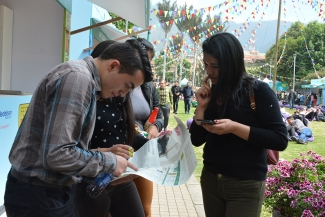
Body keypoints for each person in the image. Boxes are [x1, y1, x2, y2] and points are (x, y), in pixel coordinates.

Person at [4, 41, 153, 217]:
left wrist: (105, 154)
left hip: (48, 191)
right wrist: (110, 163)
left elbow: (62, 148)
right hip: (39, 194)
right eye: (127, 85)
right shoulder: (78, 79)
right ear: (113, 66)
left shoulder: (84, 80)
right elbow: (57, 155)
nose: (123, 94)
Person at [189, 32, 288, 217]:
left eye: (215, 66)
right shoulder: (213, 92)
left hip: (245, 185)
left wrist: (234, 128)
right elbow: (196, 140)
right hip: (211, 179)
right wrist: (201, 108)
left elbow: (280, 139)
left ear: (231, 63)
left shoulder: (258, 91)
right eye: (206, 65)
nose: (209, 72)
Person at [74, 40, 149, 217]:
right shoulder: (84, 94)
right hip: (91, 179)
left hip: (120, 176)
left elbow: (126, 134)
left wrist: (155, 145)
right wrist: (107, 153)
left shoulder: (119, 96)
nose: (123, 91)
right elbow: (68, 150)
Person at [128, 38, 164, 217]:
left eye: (149, 61)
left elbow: (160, 113)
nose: (148, 65)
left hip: (143, 151)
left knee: (144, 209)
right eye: (145, 60)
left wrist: (155, 126)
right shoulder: (116, 82)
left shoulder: (148, 86)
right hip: (121, 150)